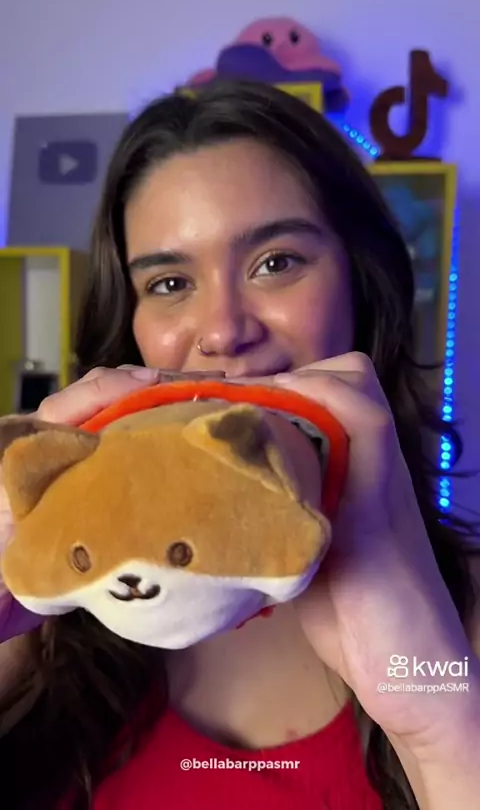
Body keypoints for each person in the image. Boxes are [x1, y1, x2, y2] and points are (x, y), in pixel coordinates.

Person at [0, 80, 479, 810]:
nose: (224, 332)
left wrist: (438, 721)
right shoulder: (49, 607)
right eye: (169, 282)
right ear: (128, 325)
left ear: (363, 284)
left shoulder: (457, 624)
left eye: (276, 263)